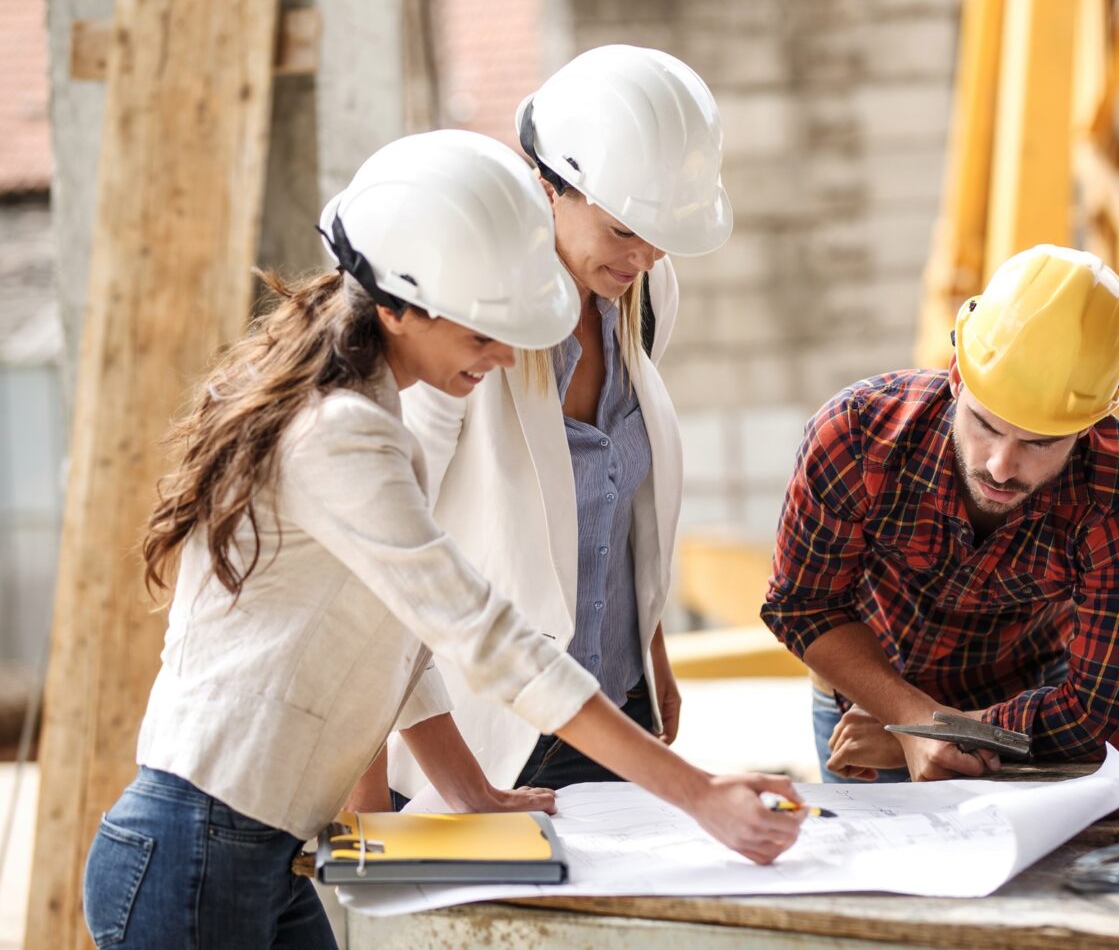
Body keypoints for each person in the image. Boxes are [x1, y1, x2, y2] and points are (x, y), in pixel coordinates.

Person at [82, 131, 802, 950]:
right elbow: (477, 632)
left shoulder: (373, 415)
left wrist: (474, 796)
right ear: (396, 306)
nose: (504, 355)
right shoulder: (341, 435)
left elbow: (409, 634)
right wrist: (697, 793)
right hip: (196, 855)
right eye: (482, 332)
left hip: (248, 848)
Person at [384, 45, 729, 798]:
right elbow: (391, 564)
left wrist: (652, 648)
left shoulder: (644, 295)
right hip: (493, 738)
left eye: (661, 234)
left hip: (618, 711)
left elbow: (619, 506)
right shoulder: (461, 325)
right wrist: (374, 809)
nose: (644, 254)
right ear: (547, 189)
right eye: (620, 230)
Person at [761, 245, 1119, 784]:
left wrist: (941, 732)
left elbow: (1101, 722)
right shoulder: (856, 436)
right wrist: (907, 719)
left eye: (1040, 443)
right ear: (957, 374)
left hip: (1025, 718)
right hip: (867, 705)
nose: (1001, 466)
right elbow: (802, 606)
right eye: (986, 425)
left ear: (1091, 423)